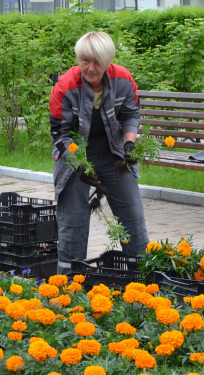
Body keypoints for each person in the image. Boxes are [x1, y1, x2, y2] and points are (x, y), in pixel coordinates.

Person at [49, 31, 149, 274]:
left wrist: (129, 144)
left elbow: (131, 115)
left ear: (108, 62)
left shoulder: (123, 80)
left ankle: (144, 278)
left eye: (97, 62)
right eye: (85, 61)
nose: (90, 68)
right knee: (73, 221)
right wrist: (79, 163)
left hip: (113, 153)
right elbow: (60, 134)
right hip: (75, 155)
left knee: (132, 217)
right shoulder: (65, 86)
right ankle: (70, 282)